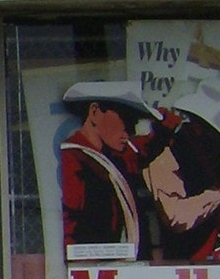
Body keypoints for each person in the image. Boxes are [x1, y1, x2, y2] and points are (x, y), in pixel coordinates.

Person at [143, 77, 220, 261]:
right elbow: (176, 217)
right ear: (198, 128)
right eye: (218, 136)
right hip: (184, 264)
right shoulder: (166, 156)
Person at [58, 80, 157, 261]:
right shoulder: (76, 159)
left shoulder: (113, 158)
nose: (128, 133)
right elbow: (73, 226)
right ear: (95, 112)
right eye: (125, 121)